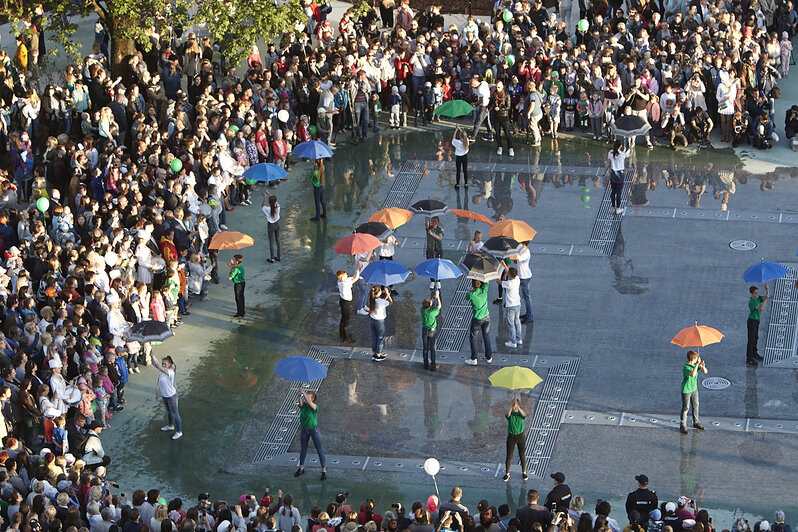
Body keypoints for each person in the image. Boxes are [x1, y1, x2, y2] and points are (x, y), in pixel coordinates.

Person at [294, 387, 327, 480]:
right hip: (305, 429)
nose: (306, 398)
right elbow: (300, 404)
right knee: (303, 449)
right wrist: (299, 396)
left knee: (319, 450)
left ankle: (324, 470)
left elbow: (308, 402)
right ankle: (301, 467)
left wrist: (303, 391)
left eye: (308, 397)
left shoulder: (314, 407)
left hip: (314, 430)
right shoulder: (304, 405)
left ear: (312, 399)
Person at [151, 354, 182, 440]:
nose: (163, 365)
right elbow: (155, 365)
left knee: (175, 414)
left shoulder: (170, 372)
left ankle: (179, 431)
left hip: (171, 396)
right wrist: (151, 354)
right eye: (163, 363)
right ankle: (170, 426)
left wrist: (154, 357)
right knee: (169, 412)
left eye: (165, 364)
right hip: (164, 395)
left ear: (169, 364)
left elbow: (158, 366)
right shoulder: (161, 371)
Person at [680, 350, 707, 434]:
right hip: (686, 390)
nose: (697, 360)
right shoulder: (686, 367)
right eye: (696, 359)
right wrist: (696, 365)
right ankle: (683, 425)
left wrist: (702, 366)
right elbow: (693, 374)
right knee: (686, 408)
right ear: (693, 359)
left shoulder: (695, 365)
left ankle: (696, 422)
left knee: (696, 405)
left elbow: (705, 372)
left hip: (694, 389)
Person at [465, 279, 491, 366]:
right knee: (486, 336)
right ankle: (489, 357)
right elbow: (487, 282)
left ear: (473, 285)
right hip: (486, 317)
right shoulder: (484, 291)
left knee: (473, 338)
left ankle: (474, 358)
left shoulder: (471, 295)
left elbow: (466, 297)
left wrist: (472, 290)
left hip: (477, 319)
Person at [502, 397, 527, 482]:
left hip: (520, 436)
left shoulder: (520, 414)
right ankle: (507, 473)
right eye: (514, 406)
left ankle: (524, 472)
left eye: (516, 406)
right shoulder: (511, 415)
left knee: (522, 455)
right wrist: (511, 406)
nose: (515, 407)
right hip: (511, 436)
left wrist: (518, 407)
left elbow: (524, 415)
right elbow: (507, 415)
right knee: (509, 455)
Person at [603, 141, 629, 215]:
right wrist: (631, 147)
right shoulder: (622, 154)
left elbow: (608, 163)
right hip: (620, 175)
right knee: (619, 192)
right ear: (620, 146)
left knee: (613, 191)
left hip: (612, 174)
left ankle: (613, 207)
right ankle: (618, 208)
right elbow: (629, 155)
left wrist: (604, 172)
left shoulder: (610, 153)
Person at [747, 285, 769, 365]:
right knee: (751, 340)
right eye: (755, 293)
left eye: (757, 293)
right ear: (751, 294)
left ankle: (755, 353)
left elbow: (765, 297)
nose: (757, 294)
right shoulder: (752, 302)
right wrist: (766, 300)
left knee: (756, 337)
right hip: (752, 321)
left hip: (757, 320)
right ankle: (749, 358)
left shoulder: (758, 298)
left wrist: (767, 290)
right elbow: (761, 308)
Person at [369, 285, 392, 361]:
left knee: (374, 336)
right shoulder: (381, 302)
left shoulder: (372, 300)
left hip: (373, 320)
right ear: (378, 293)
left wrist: (384, 298)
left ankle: (374, 353)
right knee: (380, 337)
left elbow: (382, 303)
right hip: (380, 322)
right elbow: (391, 302)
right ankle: (378, 354)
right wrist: (388, 294)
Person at [337, 269, 360, 343]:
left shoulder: (343, 281)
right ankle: (345, 338)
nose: (347, 276)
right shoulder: (344, 284)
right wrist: (358, 269)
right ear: (342, 278)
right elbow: (355, 278)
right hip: (345, 303)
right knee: (346, 320)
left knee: (343, 319)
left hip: (343, 301)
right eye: (345, 275)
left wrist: (357, 269)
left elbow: (353, 277)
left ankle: (342, 334)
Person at [420, 290, 441, 371]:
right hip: (432, 330)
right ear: (430, 305)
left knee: (425, 348)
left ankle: (425, 364)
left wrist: (432, 298)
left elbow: (428, 303)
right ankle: (433, 365)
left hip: (425, 330)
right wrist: (438, 296)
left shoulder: (422, 310)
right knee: (433, 348)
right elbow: (439, 306)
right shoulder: (433, 312)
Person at [502, 268, 522, 348]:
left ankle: (513, 342)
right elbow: (509, 272)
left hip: (510, 306)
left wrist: (502, 275)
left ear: (509, 274)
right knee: (517, 321)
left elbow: (500, 281)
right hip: (518, 304)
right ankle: (519, 339)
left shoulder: (508, 283)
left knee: (511, 324)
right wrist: (505, 266)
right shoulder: (517, 279)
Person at [262, 190, 281, 263]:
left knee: (271, 242)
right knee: (278, 240)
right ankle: (278, 256)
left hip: (271, 225)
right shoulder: (277, 206)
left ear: (269, 202)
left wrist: (264, 197)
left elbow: (262, 206)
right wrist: (269, 194)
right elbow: (274, 201)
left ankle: (272, 258)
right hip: (277, 224)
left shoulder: (267, 209)